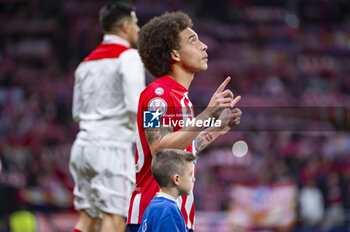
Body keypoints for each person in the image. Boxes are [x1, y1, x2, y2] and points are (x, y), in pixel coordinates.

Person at [126, 11, 242, 231]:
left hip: (175, 214)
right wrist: (207, 114)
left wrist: (217, 128)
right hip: (154, 213)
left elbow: (183, 149)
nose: (204, 45)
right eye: (193, 40)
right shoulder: (157, 96)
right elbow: (159, 148)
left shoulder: (181, 99)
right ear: (175, 54)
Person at [69, 2, 145, 232]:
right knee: (114, 218)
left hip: (82, 147)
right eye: (136, 24)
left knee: (87, 219)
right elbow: (136, 105)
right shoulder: (129, 56)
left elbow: (75, 113)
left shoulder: (85, 64)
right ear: (125, 26)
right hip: (112, 147)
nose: (138, 29)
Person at [138, 149, 196, 232]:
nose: (194, 179)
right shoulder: (169, 211)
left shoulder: (152, 206)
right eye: (190, 174)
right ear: (177, 179)